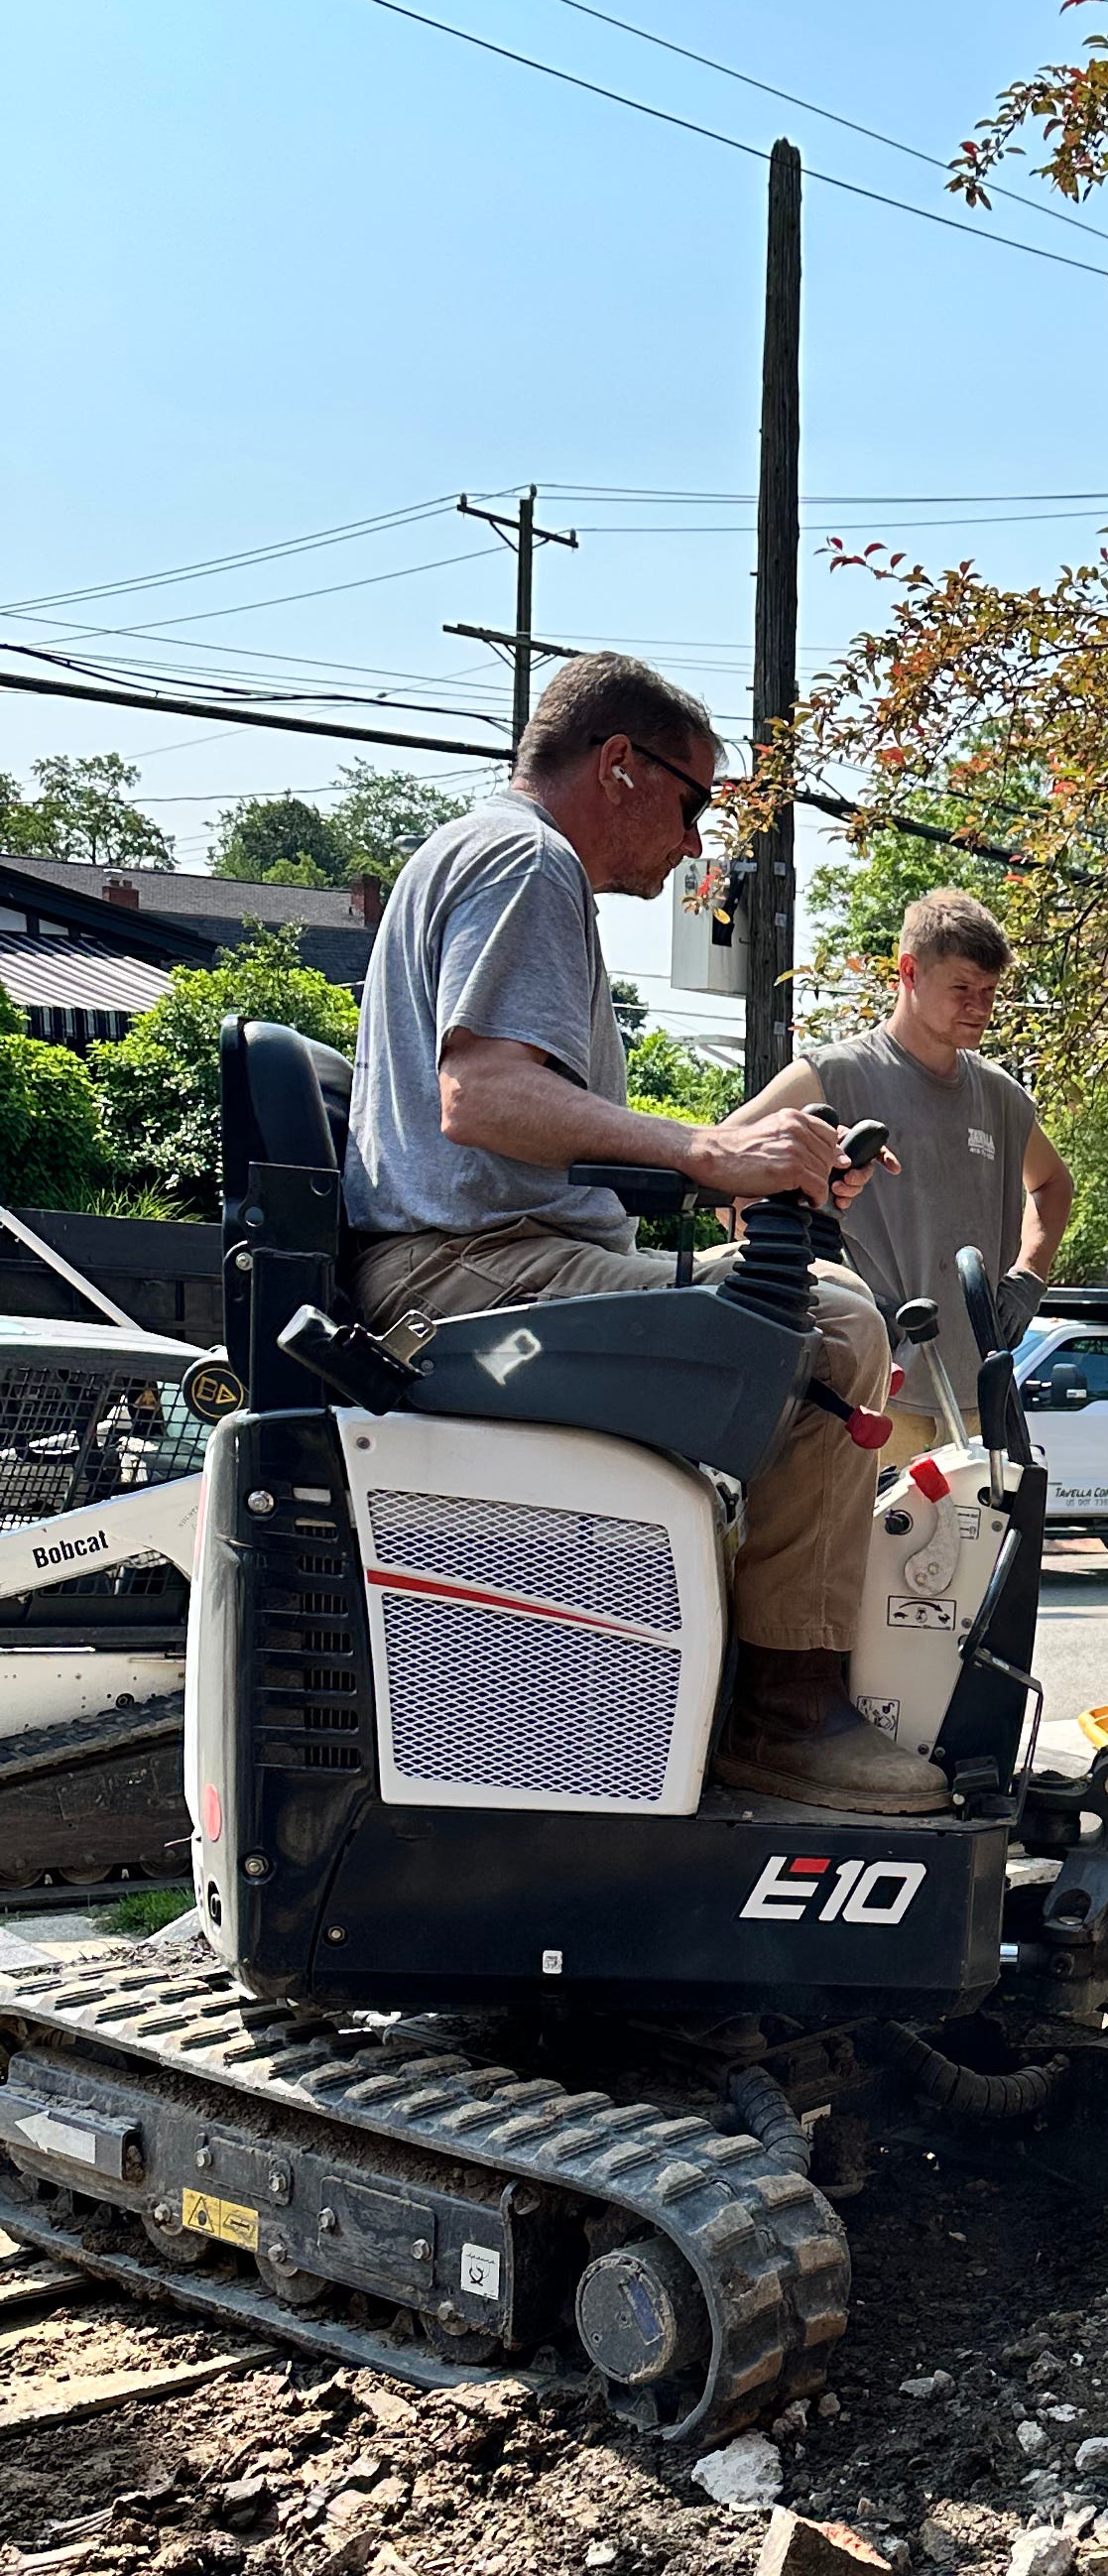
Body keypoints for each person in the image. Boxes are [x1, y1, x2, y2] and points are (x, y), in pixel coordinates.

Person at [342, 649, 943, 1816]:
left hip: (474, 1263)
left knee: (794, 1297)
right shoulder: (527, 861)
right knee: (832, 1332)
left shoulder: (480, 854)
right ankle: (783, 1718)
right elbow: (483, 1098)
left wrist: (739, 1178)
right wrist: (705, 1149)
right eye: (692, 800)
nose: (693, 841)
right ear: (619, 763)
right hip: (466, 1279)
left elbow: (529, 1139)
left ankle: (710, 1688)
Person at [736, 888, 1073, 1391]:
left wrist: (1028, 1278)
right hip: (866, 1391)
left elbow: (1053, 1184)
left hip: (980, 1394)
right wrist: (824, 1285)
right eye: (962, 987)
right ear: (910, 971)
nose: (979, 1006)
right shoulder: (833, 1074)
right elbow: (724, 1169)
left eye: (989, 990)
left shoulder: (1000, 1096)